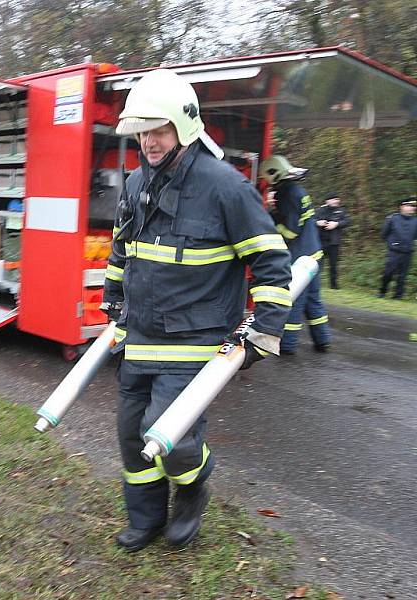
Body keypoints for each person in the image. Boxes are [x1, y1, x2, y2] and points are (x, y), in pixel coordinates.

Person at [101, 69, 292, 552]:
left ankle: (191, 489)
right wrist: (113, 301)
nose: (149, 140)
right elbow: (122, 250)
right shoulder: (136, 183)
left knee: (171, 437)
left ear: (184, 127)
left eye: (158, 129)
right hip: (140, 333)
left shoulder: (226, 188)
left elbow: (271, 262)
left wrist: (264, 332)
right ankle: (144, 520)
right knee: (131, 436)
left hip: (196, 339)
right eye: (143, 130)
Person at [260, 155, 331, 354]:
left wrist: (270, 220)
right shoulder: (297, 190)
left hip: (300, 258)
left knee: (293, 299)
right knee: (312, 300)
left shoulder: (287, 193)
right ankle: (322, 340)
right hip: (313, 253)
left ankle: (288, 344)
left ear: (273, 174)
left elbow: (291, 231)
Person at [378, 198, 417, 299]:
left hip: (408, 252)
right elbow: (383, 234)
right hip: (394, 251)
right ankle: (382, 292)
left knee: (402, 276)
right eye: (409, 206)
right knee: (388, 273)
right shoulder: (392, 218)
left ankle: (398, 296)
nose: (412, 208)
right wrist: (392, 243)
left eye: (413, 206)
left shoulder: (415, 221)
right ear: (402, 207)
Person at [315, 192, 350, 289]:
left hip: (334, 242)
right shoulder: (319, 210)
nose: (336, 201)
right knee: (318, 264)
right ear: (327, 200)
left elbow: (347, 221)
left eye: (337, 199)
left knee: (334, 265)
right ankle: (315, 283)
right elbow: (310, 221)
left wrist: (336, 224)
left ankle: (333, 285)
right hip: (320, 241)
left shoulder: (341, 211)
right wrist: (318, 223)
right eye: (334, 199)